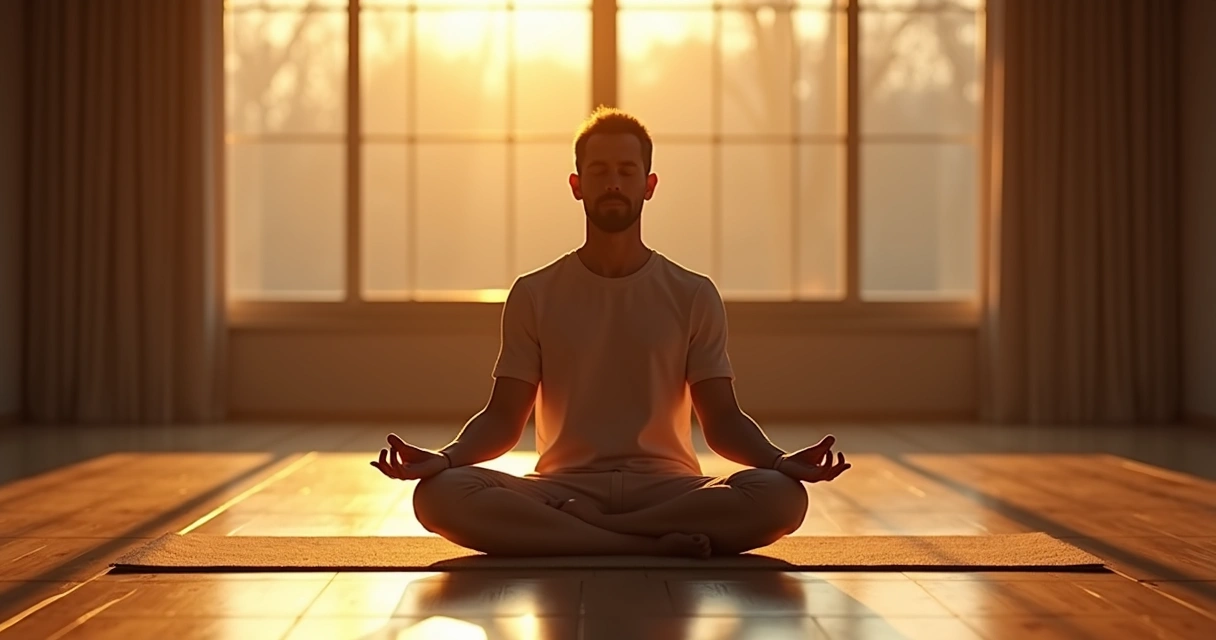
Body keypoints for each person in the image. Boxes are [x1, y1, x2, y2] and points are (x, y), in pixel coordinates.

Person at [371, 106, 851, 558]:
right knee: (438, 495)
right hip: (562, 487)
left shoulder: (693, 293)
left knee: (780, 497)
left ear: (649, 184)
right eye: (599, 172)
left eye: (626, 171)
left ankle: (593, 535)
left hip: (667, 488)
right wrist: (446, 458)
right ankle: (640, 545)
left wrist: (780, 460)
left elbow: (722, 421)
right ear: (577, 186)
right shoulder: (535, 293)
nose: (614, 183)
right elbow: (503, 419)